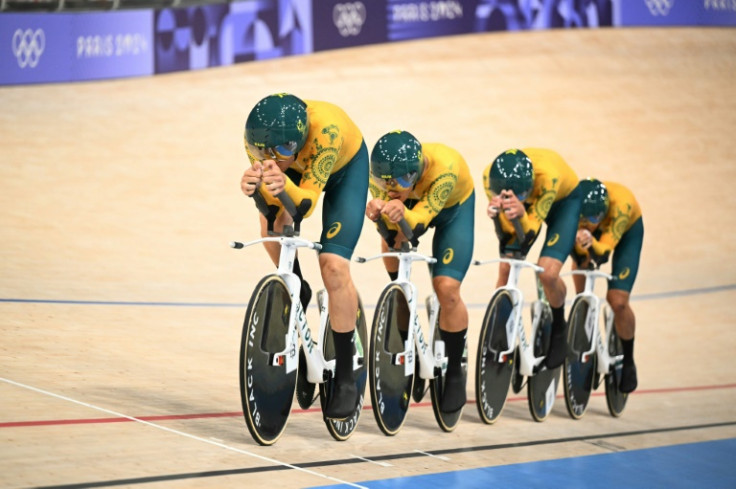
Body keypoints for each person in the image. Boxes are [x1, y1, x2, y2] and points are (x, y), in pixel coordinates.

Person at [240, 93, 369, 419]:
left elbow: (306, 205)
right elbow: (273, 211)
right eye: (262, 153)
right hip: (299, 169)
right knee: (270, 229)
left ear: (296, 142)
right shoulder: (257, 140)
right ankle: (299, 287)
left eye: (281, 151)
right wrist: (258, 192)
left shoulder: (325, 133)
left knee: (334, 266)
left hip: (343, 170)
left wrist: (281, 185)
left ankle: (343, 373)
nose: (272, 159)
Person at [365, 130, 475, 413]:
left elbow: (420, 222)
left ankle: (453, 371)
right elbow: (393, 229)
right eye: (383, 183)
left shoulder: (444, 168)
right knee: (392, 240)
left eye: (400, 182)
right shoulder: (383, 173)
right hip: (412, 204)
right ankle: (403, 321)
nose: (390, 187)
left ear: (416, 173)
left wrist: (399, 208)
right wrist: (378, 211)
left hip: (452, 212)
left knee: (447, 289)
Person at [483, 148, 582, 370]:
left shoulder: (547, 178)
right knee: (507, 265)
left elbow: (530, 232)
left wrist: (521, 212)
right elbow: (509, 235)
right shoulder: (488, 177)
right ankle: (499, 330)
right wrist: (498, 215)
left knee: (546, 272)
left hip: (563, 202)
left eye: (521, 197)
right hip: (529, 199)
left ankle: (559, 328)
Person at [571, 178, 643, 393]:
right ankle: (582, 309)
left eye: (593, 220)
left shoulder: (621, 205)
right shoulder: (575, 205)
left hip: (625, 232)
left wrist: (591, 241)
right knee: (581, 260)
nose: (590, 225)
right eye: (585, 220)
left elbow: (603, 254)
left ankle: (628, 360)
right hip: (596, 231)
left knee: (617, 301)